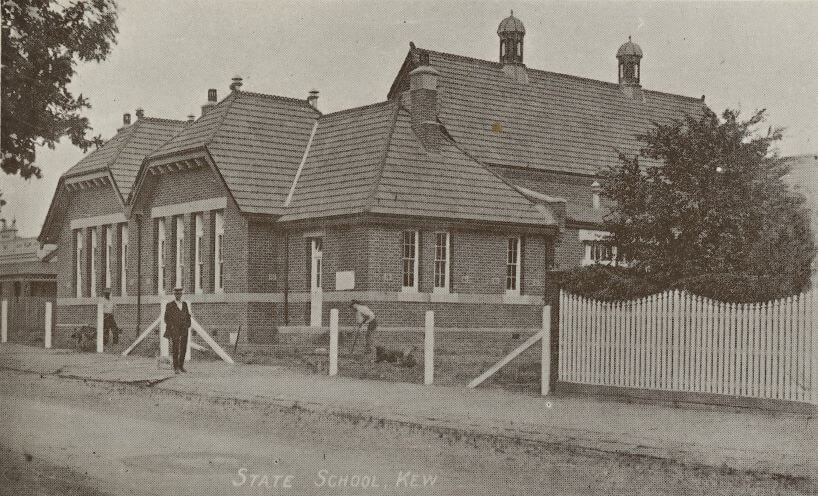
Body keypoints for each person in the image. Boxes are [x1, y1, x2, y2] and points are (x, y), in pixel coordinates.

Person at [164, 287, 191, 374]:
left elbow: (188, 316)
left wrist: (187, 325)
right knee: (175, 348)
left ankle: (181, 365)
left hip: (184, 329)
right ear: (174, 294)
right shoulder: (170, 305)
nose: (178, 295)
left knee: (183, 347)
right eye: (176, 294)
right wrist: (171, 327)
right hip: (174, 329)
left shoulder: (184, 304)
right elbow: (166, 318)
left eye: (180, 294)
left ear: (181, 294)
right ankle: (175, 367)